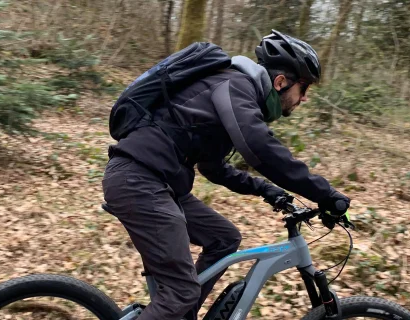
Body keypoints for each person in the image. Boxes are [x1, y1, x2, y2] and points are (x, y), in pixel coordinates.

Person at [101, 30, 350, 320]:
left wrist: (266, 189)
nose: (304, 99)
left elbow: (213, 167)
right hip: (139, 181)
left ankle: (179, 315)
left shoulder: (234, 93)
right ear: (282, 82)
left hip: (158, 182)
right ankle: (177, 306)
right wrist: (325, 194)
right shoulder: (235, 85)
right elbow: (259, 146)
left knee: (223, 238)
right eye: (303, 89)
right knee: (180, 291)